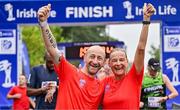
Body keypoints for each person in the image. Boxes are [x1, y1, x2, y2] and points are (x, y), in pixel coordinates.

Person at [37, 4, 106, 109]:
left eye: (99, 58)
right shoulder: (69, 72)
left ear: (104, 63)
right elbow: (52, 49)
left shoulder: (102, 86)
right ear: (84, 57)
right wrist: (43, 23)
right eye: (92, 56)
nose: (95, 61)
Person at [102, 3, 155, 109]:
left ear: (127, 61)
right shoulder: (104, 82)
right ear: (109, 63)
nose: (118, 63)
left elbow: (141, 48)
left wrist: (146, 21)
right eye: (114, 60)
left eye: (121, 60)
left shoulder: (134, 77)